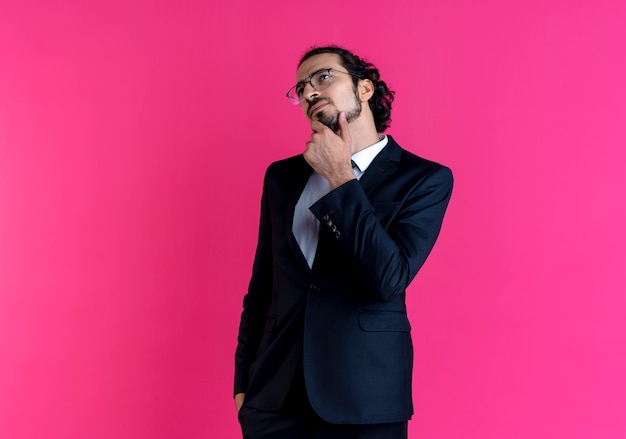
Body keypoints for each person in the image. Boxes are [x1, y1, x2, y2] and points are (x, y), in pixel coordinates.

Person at [234, 45, 453, 439]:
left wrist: (340, 179)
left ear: (365, 89)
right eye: (300, 88)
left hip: (364, 401)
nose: (310, 92)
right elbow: (262, 287)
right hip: (274, 401)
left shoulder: (424, 179)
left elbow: (387, 279)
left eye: (324, 77)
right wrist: (243, 387)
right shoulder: (282, 177)